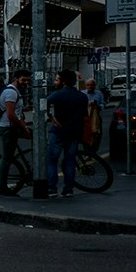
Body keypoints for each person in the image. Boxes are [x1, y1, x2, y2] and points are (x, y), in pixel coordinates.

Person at [43, 69, 87, 198]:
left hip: (59, 131)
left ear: (63, 81)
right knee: (70, 161)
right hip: (74, 132)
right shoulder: (82, 96)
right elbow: (84, 115)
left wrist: (51, 118)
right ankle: (68, 189)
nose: (55, 81)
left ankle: (52, 188)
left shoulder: (57, 95)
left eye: (57, 79)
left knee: (51, 160)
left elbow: (43, 103)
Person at [0, 70, 30, 196]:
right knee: (7, 157)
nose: (26, 83)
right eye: (23, 80)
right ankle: (2, 186)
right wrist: (22, 127)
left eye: (27, 80)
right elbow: (10, 114)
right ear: (16, 79)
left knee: (34, 137)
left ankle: (33, 167)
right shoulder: (10, 92)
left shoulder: (16, 92)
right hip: (8, 128)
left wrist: (24, 126)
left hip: (13, 126)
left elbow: (17, 112)